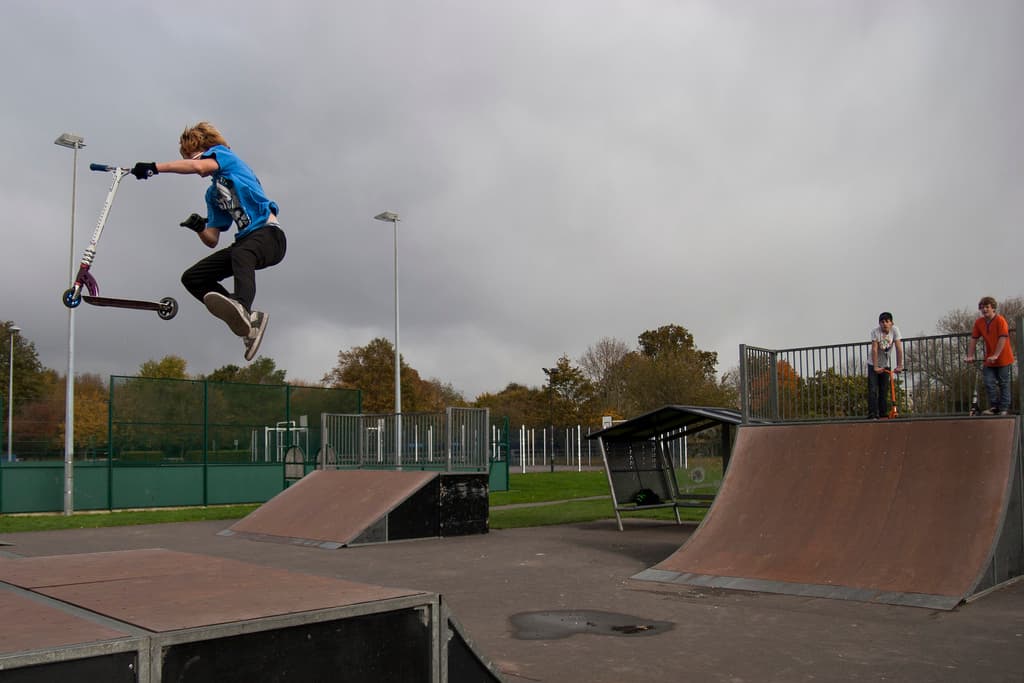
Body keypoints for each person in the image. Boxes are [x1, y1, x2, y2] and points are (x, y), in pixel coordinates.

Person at [131, 122, 286, 362]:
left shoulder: (226, 158)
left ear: (204, 149)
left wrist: (155, 167)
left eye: (193, 156)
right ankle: (248, 322)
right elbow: (212, 239)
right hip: (246, 243)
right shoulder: (212, 194)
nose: (195, 164)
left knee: (241, 252)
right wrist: (200, 227)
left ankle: (242, 306)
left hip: (270, 236)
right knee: (193, 277)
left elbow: (198, 166)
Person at [965, 296, 1014, 415]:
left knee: (1003, 383)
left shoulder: (1000, 320)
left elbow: (1003, 338)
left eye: (987, 307)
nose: (984, 310)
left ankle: (1004, 408)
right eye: (982, 308)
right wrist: (970, 355)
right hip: (989, 359)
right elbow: (973, 339)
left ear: (993, 308)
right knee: (988, 381)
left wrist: (996, 355)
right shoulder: (979, 322)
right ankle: (994, 406)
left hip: (1003, 358)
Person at [867, 312, 904, 419]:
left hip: (885, 364)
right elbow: (874, 349)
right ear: (879, 324)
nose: (885, 324)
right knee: (873, 389)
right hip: (873, 364)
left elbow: (899, 348)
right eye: (882, 322)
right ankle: (872, 414)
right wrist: (875, 367)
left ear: (891, 323)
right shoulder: (875, 332)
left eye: (887, 321)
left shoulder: (895, 330)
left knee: (884, 389)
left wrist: (899, 365)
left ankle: (883, 413)